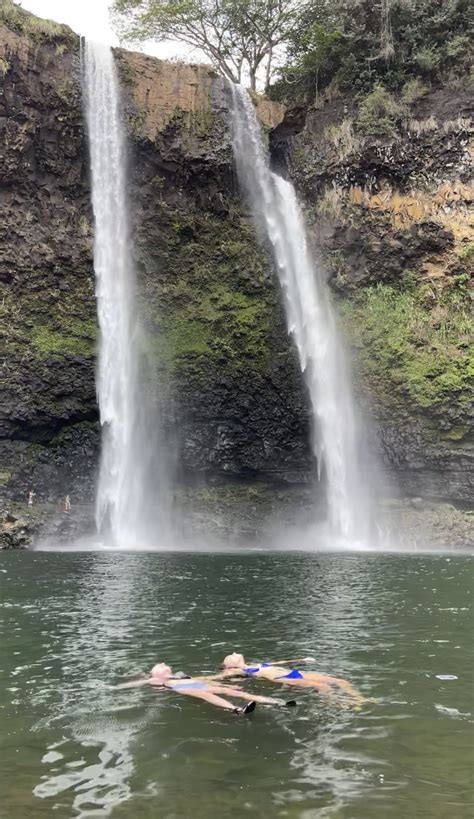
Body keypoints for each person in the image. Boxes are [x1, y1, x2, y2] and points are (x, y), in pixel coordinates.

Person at [112, 663, 296, 715]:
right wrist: (117, 687)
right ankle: (237, 710)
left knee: (234, 692)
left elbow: (201, 678)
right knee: (207, 696)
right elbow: (134, 684)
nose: (163, 665)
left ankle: (277, 703)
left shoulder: (176, 675)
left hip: (191, 684)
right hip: (181, 688)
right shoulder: (157, 680)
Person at [212, 653, 366, 706]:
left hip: (293, 672)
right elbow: (215, 677)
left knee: (341, 681)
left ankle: (359, 698)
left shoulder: (253, 664)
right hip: (282, 677)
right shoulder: (237, 670)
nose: (234, 654)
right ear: (228, 666)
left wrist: (302, 659)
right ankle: (335, 703)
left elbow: (279, 663)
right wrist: (191, 681)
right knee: (323, 686)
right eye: (231, 656)